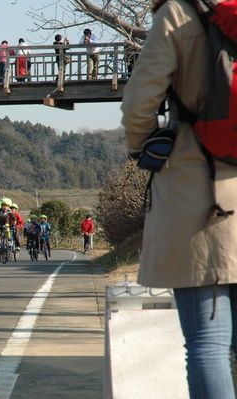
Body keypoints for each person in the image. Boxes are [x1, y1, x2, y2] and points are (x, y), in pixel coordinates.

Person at [121, 0, 237, 396]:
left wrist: (143, 148)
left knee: (208, 344)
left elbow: (140, 100)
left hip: (199, 187)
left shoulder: (178, 12)